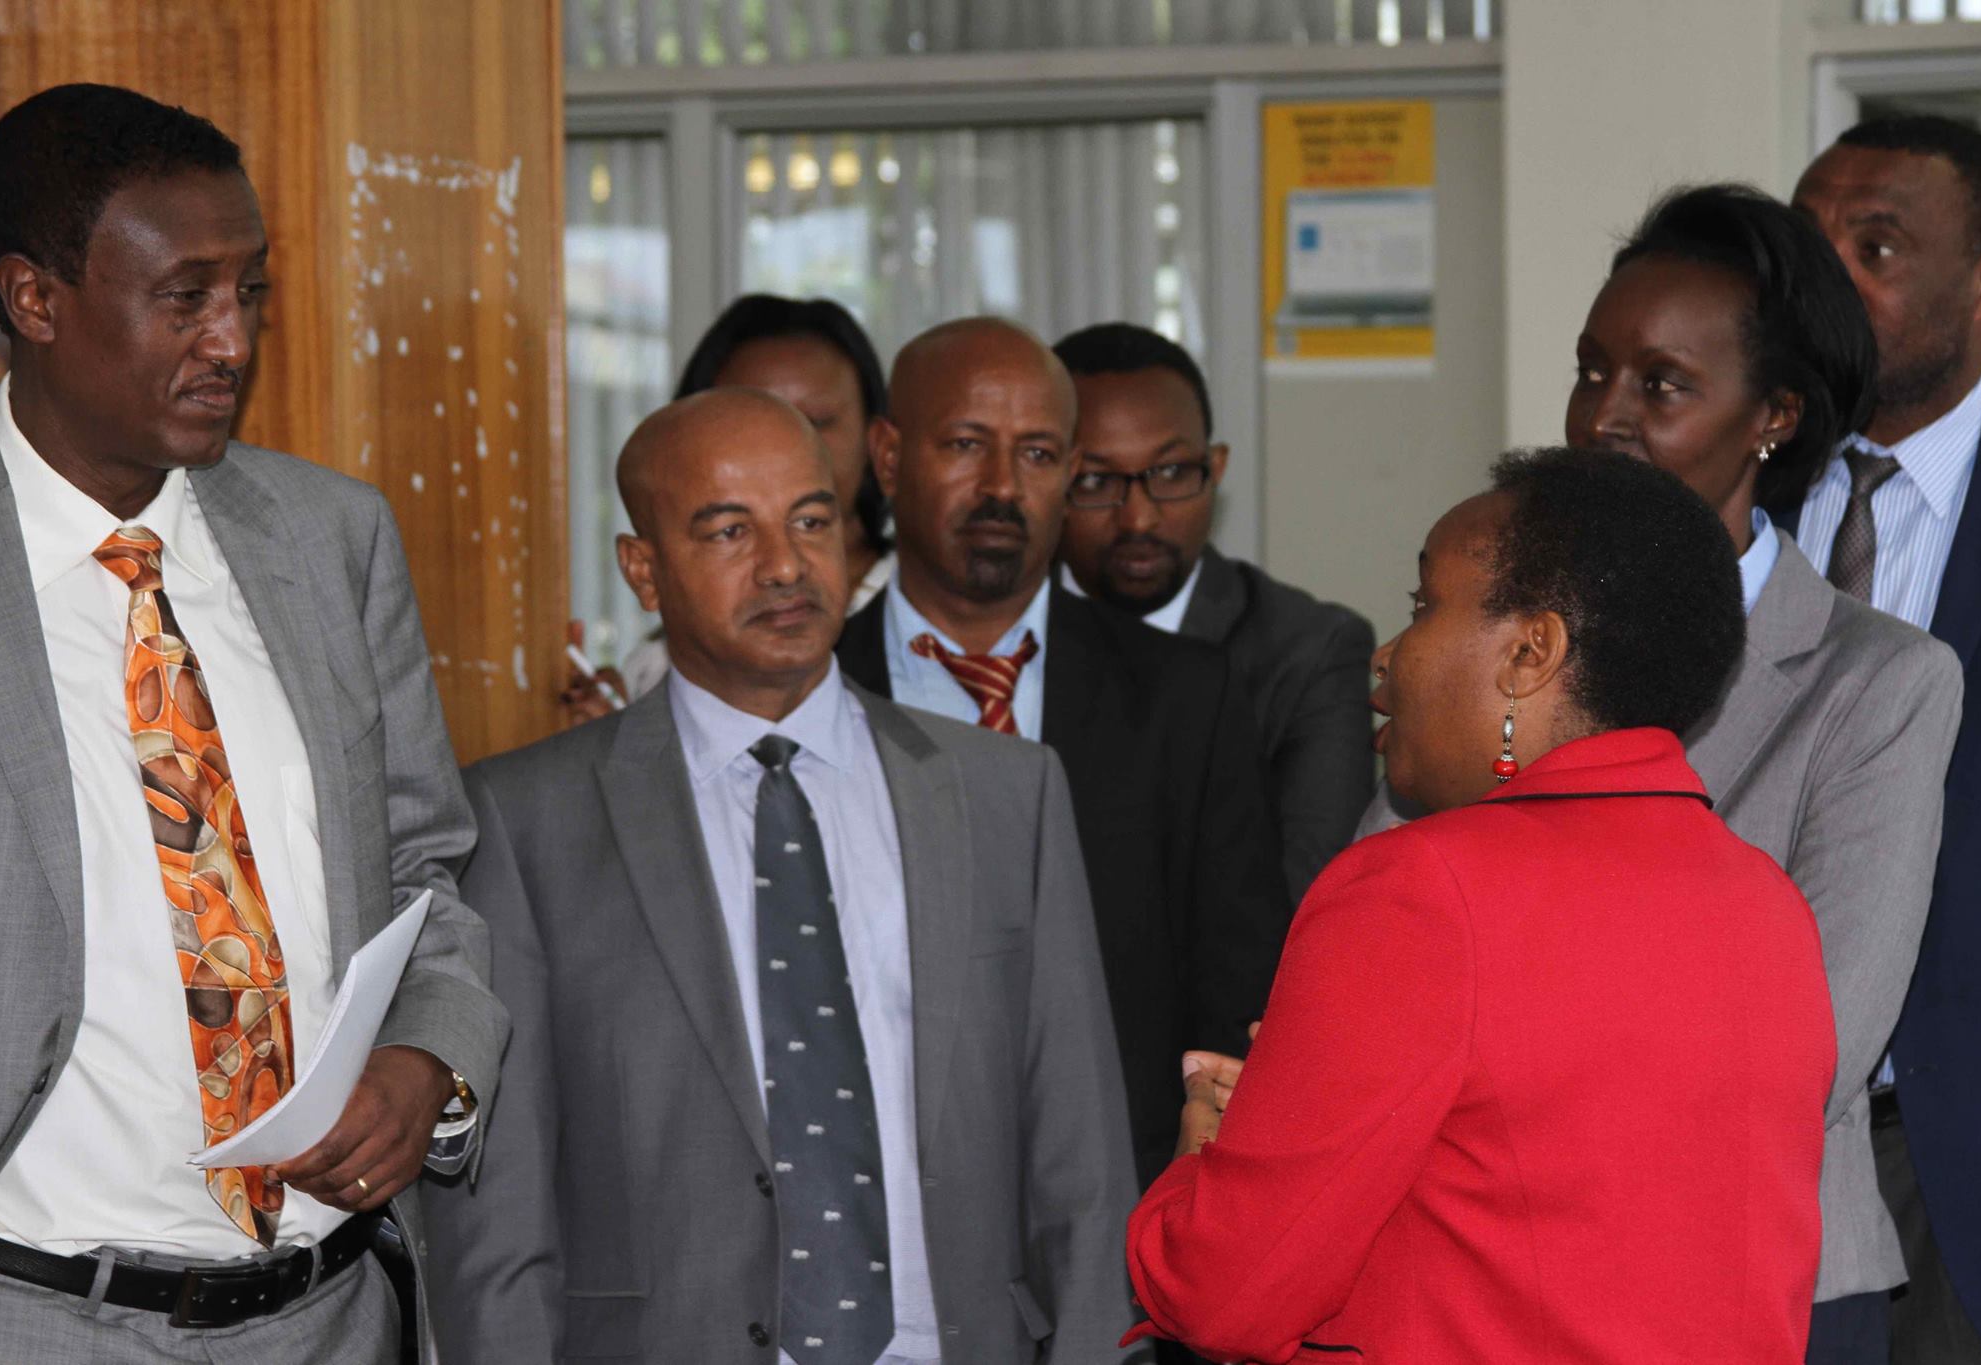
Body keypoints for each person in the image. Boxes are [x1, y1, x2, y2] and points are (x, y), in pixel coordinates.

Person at [423, 388, 1141, 1364]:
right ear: (643, 569)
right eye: (727, 531)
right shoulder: (526, 823)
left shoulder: (1003, 796)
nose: (784, 566)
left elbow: (1083, 1170)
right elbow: (499, 1219)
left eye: (810, 520)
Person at [0, 84, 506, 1363]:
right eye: (184, 296)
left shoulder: (330, 542)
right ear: (36, 300)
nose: (231, 342)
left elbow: (426, 871)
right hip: (20, 1320)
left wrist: (430, 1058)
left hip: (332, 1314)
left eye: (248, 291)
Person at [1125, 448, 1837, 1363]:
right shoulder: (1768, 903)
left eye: (1423, 608)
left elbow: (1225, 1292)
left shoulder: (1415, 891)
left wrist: (1205, 1155)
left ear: (1530, 652)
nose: (1386, 655)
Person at [1568, 183, 1964, 1364]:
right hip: (1507, 1258)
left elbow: (1818, 1035)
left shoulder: (1878, 681)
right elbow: (1383, 919)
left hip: (1762, 1269)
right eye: (1590, 370)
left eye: (1660, 384)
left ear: (1773, 418)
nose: (1602, 417)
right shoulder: (1502, 633)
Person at [832, 317, 1290, 1190]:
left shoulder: (1185, 699)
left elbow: (1237, 1001)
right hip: (871, 1203)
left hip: (1123, 1207)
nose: (1003, 486)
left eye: (1039, 454)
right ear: (888, 457)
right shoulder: (811, 691)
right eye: (968, 444)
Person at [1793, 115, 1981, 1364]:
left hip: (1969, 1151)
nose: (1827, 285)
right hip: (1748, 1152)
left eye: (1872, 248)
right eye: (1807, 248)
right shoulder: (1720, 498)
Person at [1052, 322, 1376, 902]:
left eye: (1172, 473)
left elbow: (1305, 904)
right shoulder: (1002, 637)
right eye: (1095, 480)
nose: (1139, 519)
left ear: (1217, 467)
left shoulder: (1309, 652)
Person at [563, 294, 895, 722]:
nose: (780, 441)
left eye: (814, 421)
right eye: (729, 531)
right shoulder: (658, 666)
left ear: (878, 442)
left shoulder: (931, 618)